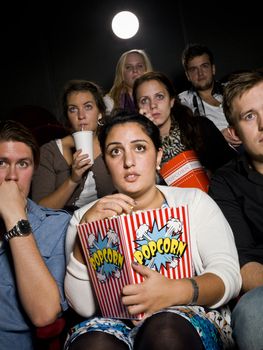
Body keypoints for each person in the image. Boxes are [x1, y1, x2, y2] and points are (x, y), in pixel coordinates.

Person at [64, 113, 241, 350]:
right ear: (106, 163)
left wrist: (173, 291)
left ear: (158, 155)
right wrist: (83, 238)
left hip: (183, 317)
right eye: (116, 151)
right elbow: (84, 307)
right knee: (93, 344)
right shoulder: (84, 217)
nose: (128, 161)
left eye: (139, 148)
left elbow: (228, 277)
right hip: (115, 324)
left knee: (164, 330)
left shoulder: (193, 201)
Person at [0, 120, 71, 349]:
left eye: (23, 164)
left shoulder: (58, 226)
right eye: (1, 163)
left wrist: (14, 217)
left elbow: (45, 314)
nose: (12, 176)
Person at [208, 70, 263, 350]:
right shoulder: (226, 182)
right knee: (252, 314)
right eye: (250, 116)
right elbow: (245, 266)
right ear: (234, 132)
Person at [31, 79, 115, 213]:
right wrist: (73, 179)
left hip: (108, 222)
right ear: (67, 116)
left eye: (88, 107)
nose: (81, 116)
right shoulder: (49, 152)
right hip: (63, 226)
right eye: (73, 109)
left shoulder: (114, 145)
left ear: (100, 113)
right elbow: (39, 211)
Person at [132, 71, 236, 176]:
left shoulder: (201, 127)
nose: (153, 105)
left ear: (171, 101)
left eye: (159, 97)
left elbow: (233, 167)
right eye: (144, 100)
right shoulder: (137, 145)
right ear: (138, 108)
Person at [178, 43, 242, 150]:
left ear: (213, 69)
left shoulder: (232, 89)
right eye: (194, 69)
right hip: (220, 156)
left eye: (204, 66)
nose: (200, 73)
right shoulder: (182, 101)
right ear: (188, 75)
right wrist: (219, 136)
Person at [104, 49, 153, 114]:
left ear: (146, 69)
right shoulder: (110, 101)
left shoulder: (157, 97)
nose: (135, 70)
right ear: (121, 73)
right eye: (128, 67)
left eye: (139, 66)